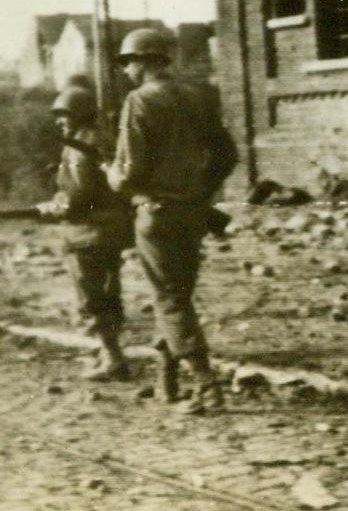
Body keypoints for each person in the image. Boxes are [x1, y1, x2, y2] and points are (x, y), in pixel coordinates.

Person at [106, 27, 238, 414]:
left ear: (147, 61)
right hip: (193, 214)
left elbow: (129, 171)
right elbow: (227, 155)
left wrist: (112, 176)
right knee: (176, 296)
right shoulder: (199, 95)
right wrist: (201, 192)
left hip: (156, 214)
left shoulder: (140, 100)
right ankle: (167, 380)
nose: (128, 70)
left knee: (169, 298)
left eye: (130, 61)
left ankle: (207, 384)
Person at [38, 83, 133, 381]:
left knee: (90, 298)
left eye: (64, 114)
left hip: (87, 233)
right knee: (108, 293)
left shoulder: (80, 144)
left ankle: (113, 358)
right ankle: (111, 352)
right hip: (110, 230)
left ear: (79, 115)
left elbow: (80, 193)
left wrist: (55, 206)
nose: (60, 121)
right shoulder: (101, 138)